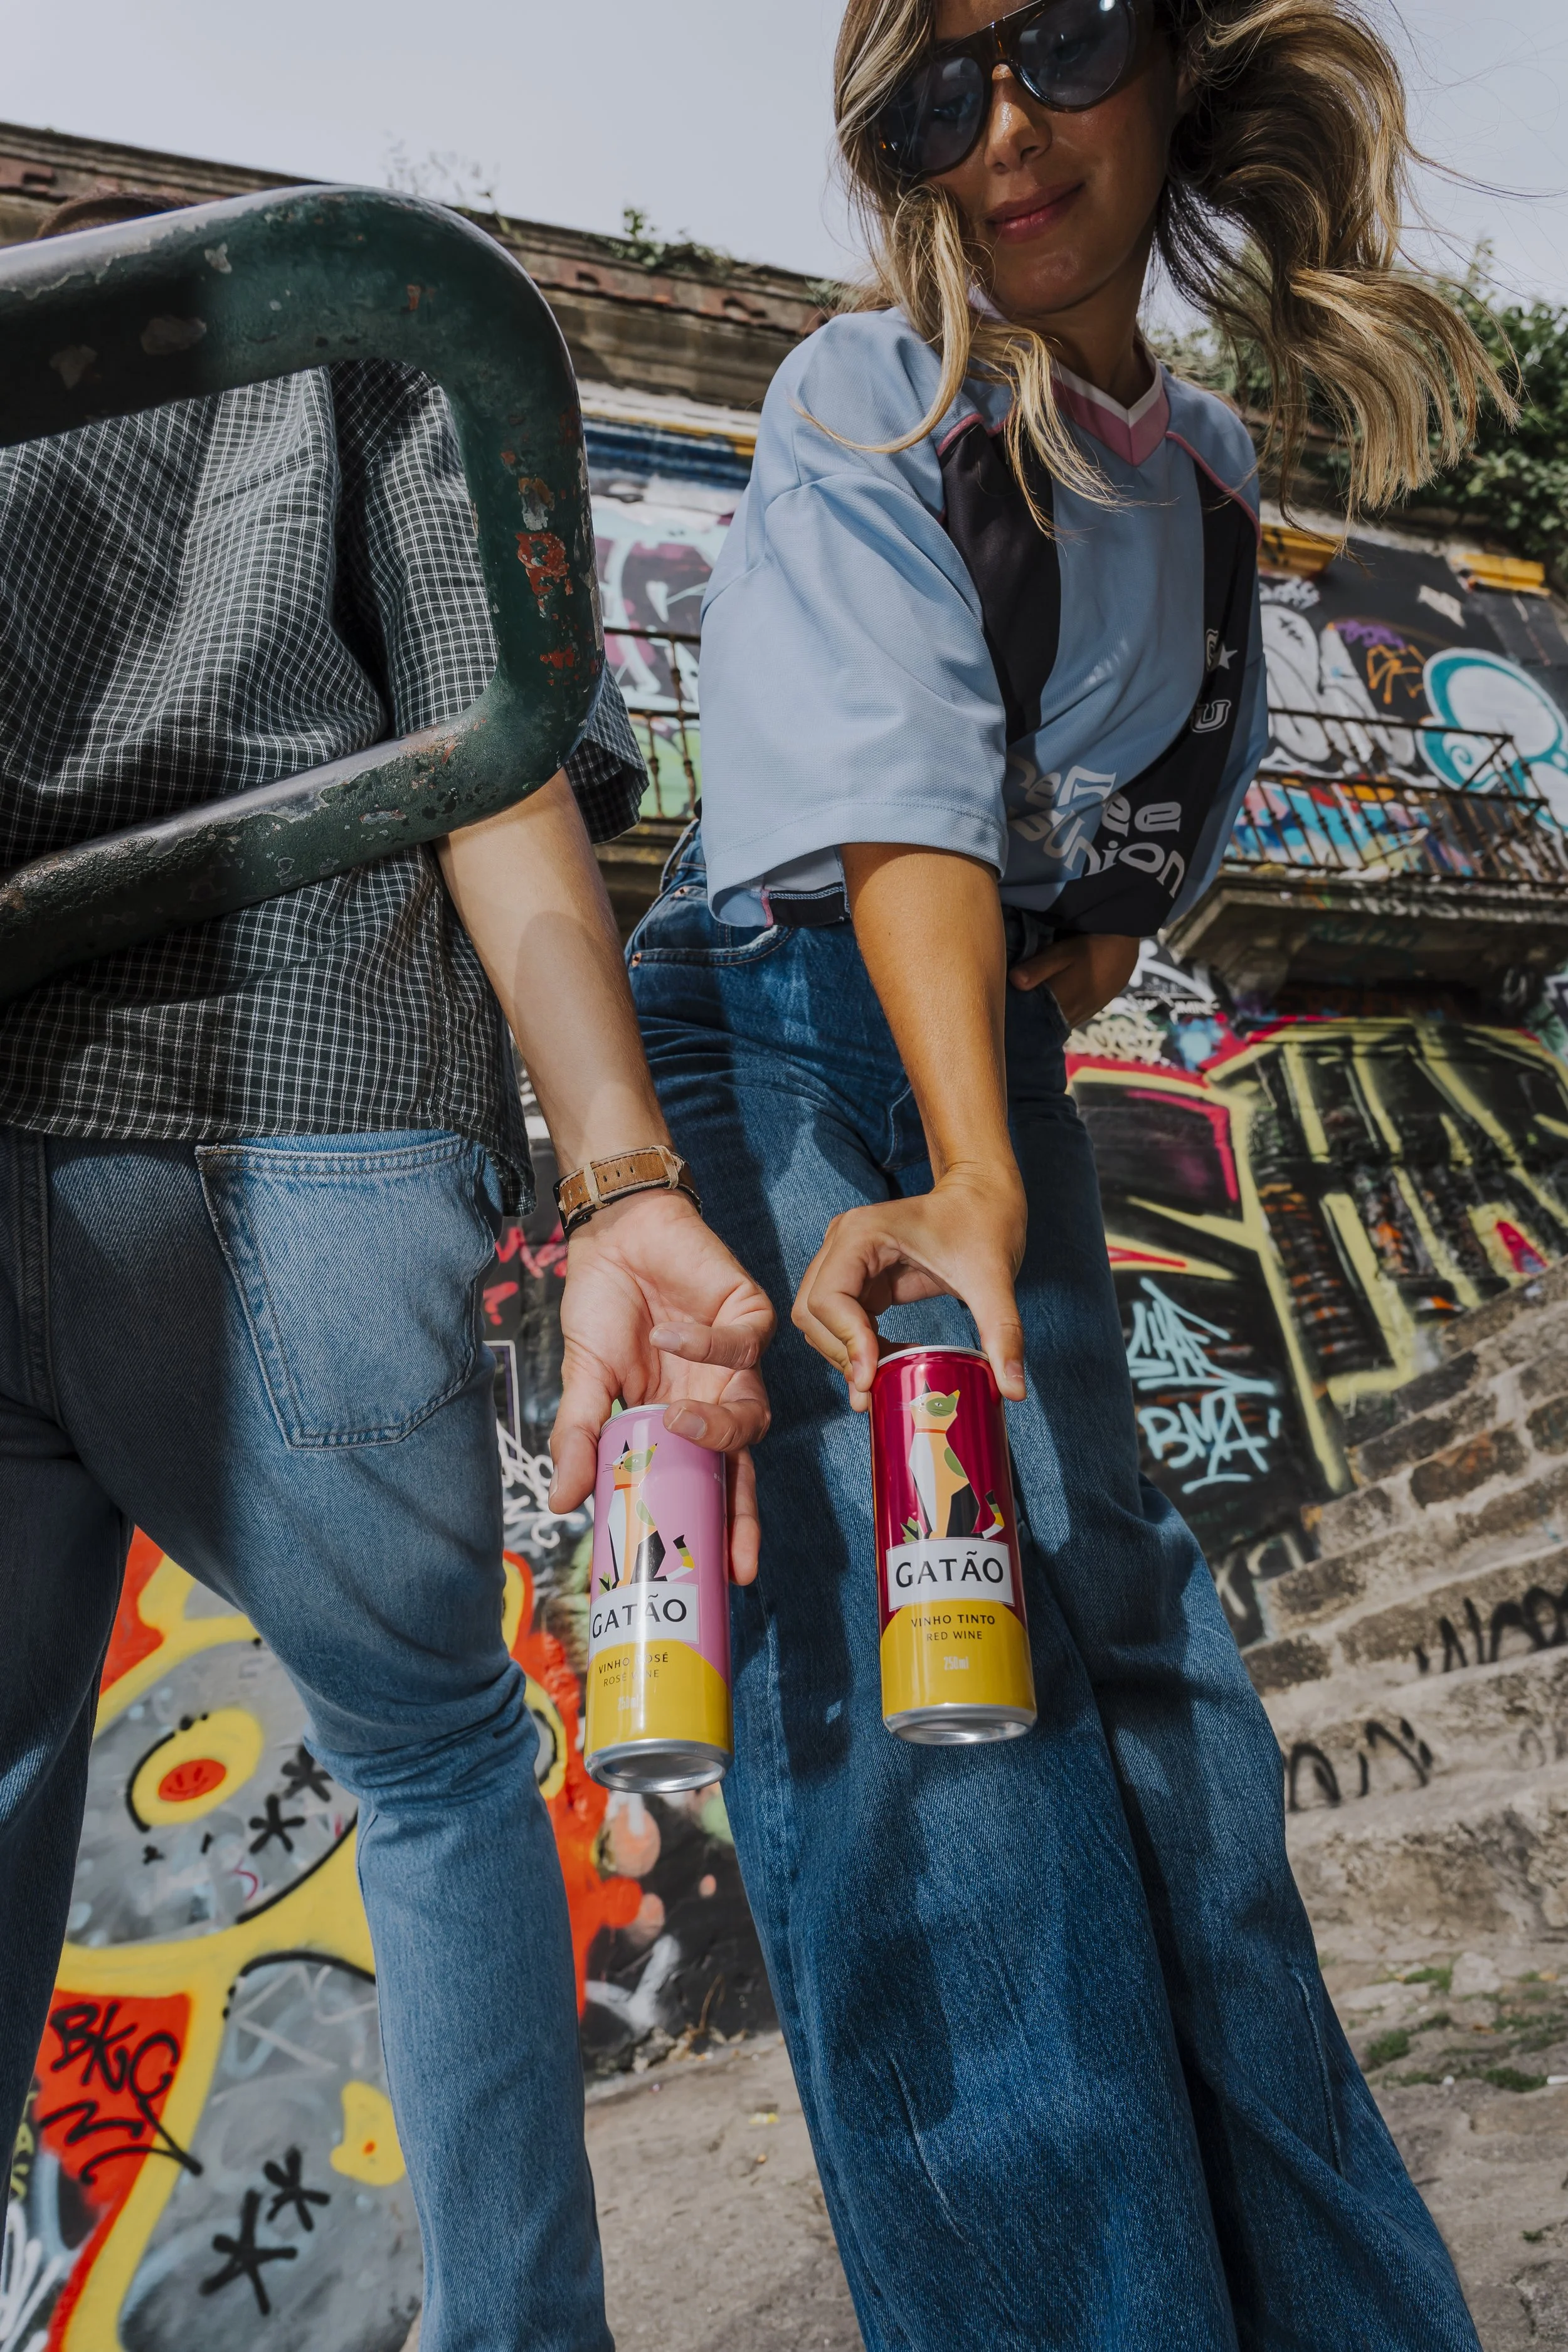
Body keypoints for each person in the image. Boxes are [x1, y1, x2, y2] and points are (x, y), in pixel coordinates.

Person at [628, 2, 1506, 2344]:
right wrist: (974, 1163)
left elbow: (1140, 827)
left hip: (967, 1025)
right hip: (787, 1017)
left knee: (1144, 1664)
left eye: (1059, 45)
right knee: (938, 1700)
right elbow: (893, 782)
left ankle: (1319, 2304)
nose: (1002, 132)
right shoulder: (866, 391)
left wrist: (1052, 991)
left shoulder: (1200, 467)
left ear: (1179, 62)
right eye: (935, 100)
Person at [0, 187, 771, 2352]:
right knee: (436, 1761)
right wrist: (623, 1179)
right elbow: (499, 761)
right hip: (312, 1094)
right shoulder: (360, 306)